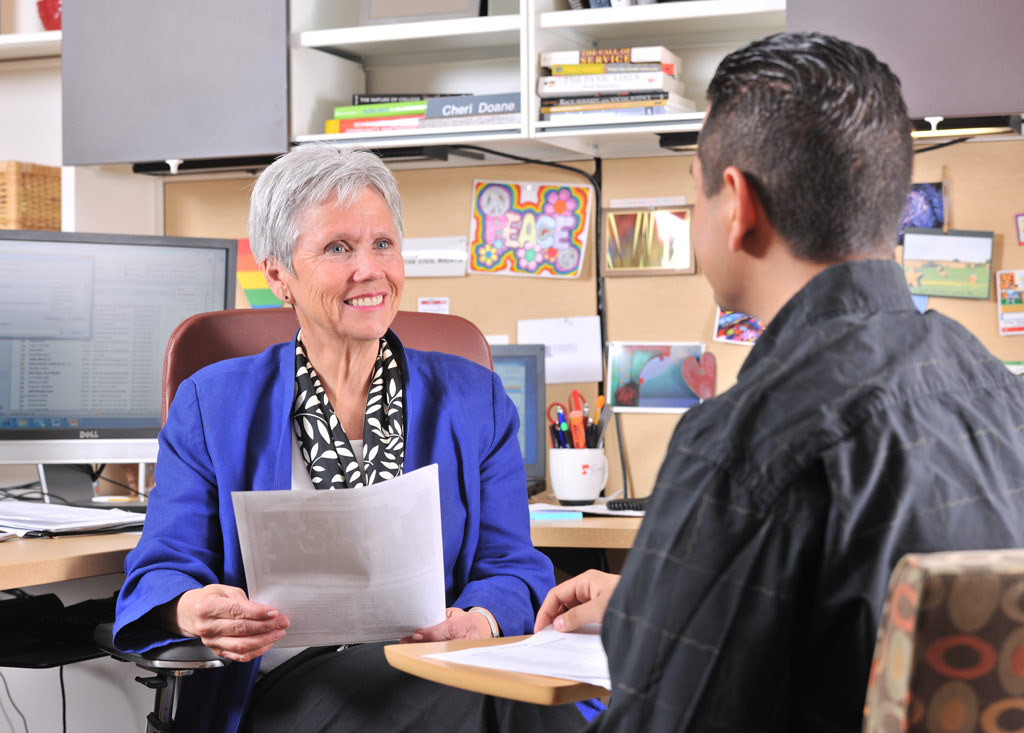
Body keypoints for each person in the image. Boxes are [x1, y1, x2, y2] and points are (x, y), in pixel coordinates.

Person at [535, 32, 1024, 732]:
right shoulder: (996, 392)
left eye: (694, 192)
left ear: (736, 204)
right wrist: (655, 596)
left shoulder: (744, 444)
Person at [113, 145, 597, 732]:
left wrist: (480, 621)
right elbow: (162, 567)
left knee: (531, 698)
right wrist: (193, 610)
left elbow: (514, 568)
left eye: (383, 244)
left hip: (438, 662)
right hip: (290, 685)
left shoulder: (477, 400)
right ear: (277, 275)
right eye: (338, 248)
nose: (368, 269)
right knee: (505, 709)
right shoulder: (211, 403)